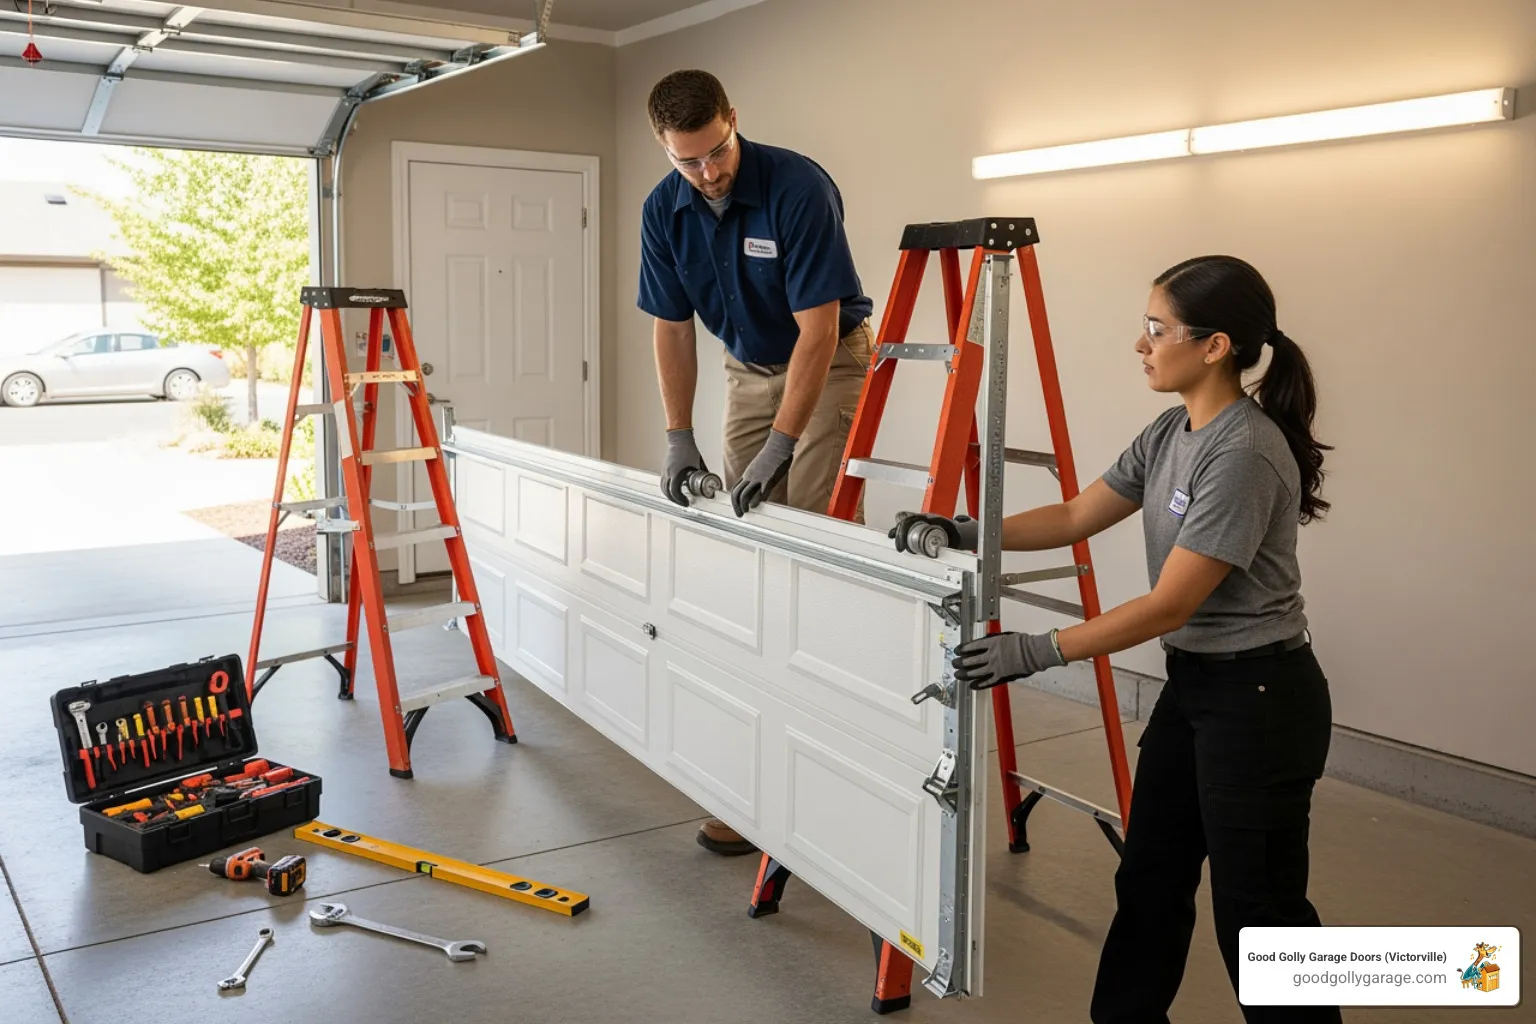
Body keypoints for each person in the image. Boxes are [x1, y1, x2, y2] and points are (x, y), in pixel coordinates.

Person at [893, 256, 1340, 1024]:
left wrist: (1039, 650)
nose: (1141, 344)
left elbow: (1170, 604)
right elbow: (1074, 515)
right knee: (1150, 878)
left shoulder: (1244, 451)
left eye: (1157, 330)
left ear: (1214, 346)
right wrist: (966, 530)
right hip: (1198, 687)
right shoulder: (1175, 428)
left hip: (1261, 701)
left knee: (1258, 915)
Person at [638, 69, 874, 856]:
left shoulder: (796, 187)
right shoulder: (662, 211)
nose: (708, 173)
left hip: (829, 361)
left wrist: (783, 443)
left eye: (716, 152)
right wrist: (678, 434)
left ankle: (829, 764)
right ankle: (752, 770)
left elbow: (819, 330)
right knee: (744, 549)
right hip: (747, 368)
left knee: (809, 543)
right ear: (664, 149)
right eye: (689, 162)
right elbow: (672, 328)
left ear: (733, 121)